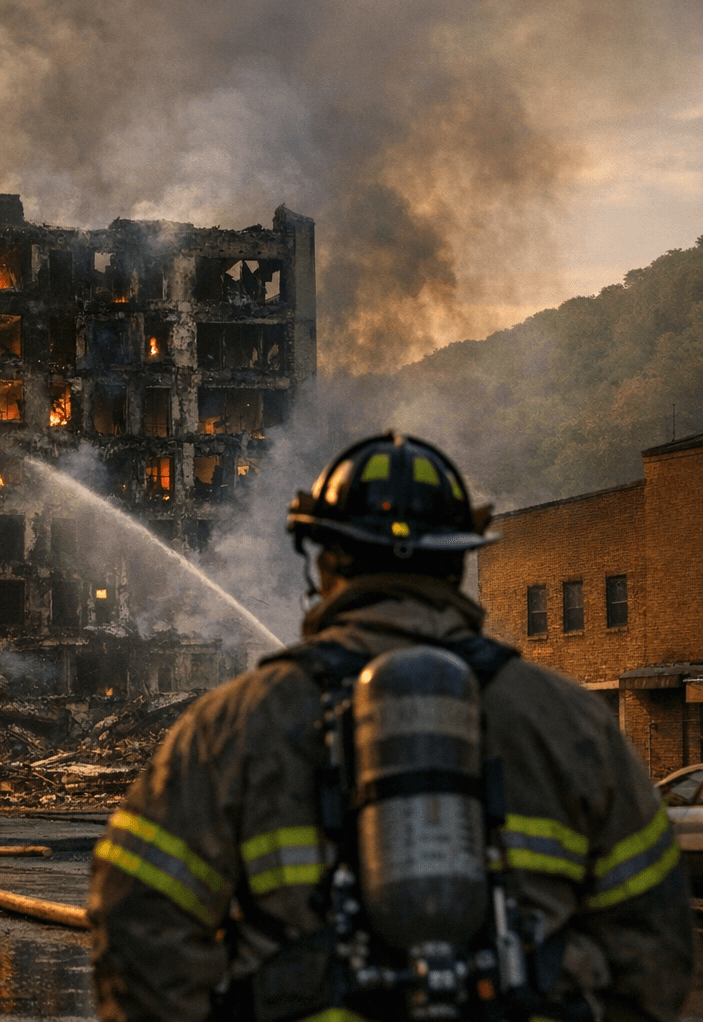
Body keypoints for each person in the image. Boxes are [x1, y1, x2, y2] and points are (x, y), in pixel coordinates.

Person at [88, 431, 694, 1022]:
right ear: (458, 562)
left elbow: (137, 923)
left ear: (323, 565)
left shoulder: (234, 725)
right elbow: (657, 945)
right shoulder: (573, 721)